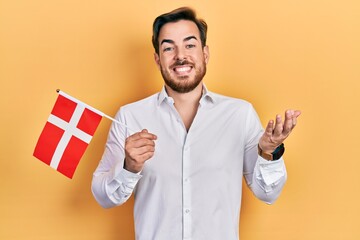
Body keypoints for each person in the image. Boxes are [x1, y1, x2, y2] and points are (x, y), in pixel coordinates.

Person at [92, 7, 301, 240]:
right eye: (168, 48)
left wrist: (269, 152)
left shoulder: (239, 114)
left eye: (189, 45)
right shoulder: (130, 116)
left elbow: (268, 193)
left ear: (205, 53)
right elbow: (103, 196)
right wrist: (129, 167)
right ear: (157, 59)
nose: (180, 56)